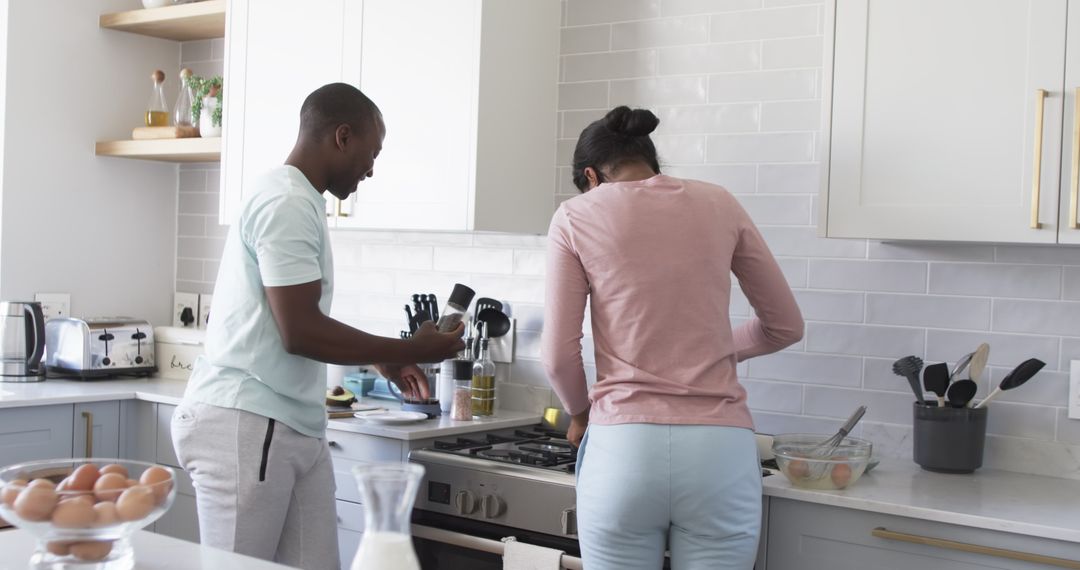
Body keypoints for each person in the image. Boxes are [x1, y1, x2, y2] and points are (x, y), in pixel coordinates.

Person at [171, 83, 464, 569]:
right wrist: (416, 347)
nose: (371, 168)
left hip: (291, 425)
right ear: (342, 137)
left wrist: (382, 356)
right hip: (247, 422)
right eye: (371, 154)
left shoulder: (297, 198)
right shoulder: (286, 202)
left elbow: (298, 316)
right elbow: (300, 331)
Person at [542, 106, 804, 570]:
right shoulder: (719, 202)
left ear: (590, 176)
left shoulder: (574, 216)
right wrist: (712, 350)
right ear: (650, 163)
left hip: (622, 451)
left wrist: (580, 414)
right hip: (719, 454)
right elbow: (784, 325)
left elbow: (560, 358)